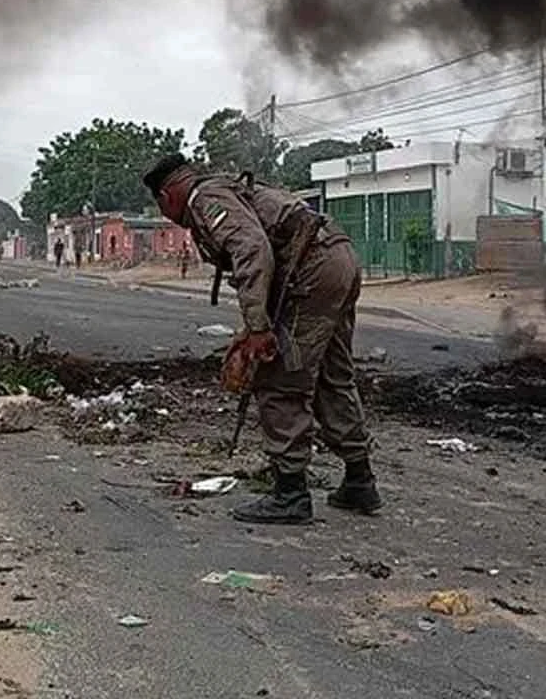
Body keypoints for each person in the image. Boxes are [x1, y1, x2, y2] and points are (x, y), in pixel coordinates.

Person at [141, 152, 380, 525]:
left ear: (166, 196)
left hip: (311, 267)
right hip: (337, 256)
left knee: (280, 378)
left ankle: (290, 494)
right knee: (333, 376)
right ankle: (359, 481)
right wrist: (257, 322)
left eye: (160, 206)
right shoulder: (228, 188)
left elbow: (252, 249)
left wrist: (257, 329)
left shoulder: (204, 199)